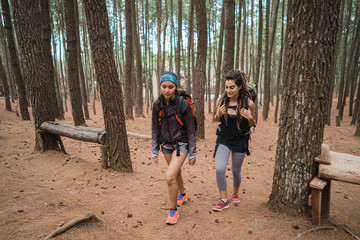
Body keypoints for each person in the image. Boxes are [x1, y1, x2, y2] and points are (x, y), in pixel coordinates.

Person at [151, 71, 196, 225]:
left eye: (170, 87)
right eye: (164, 86)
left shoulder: (182, 104)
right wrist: (154, 149)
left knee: (170, 176)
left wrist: (192, 153)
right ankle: (182, 194)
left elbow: (190, 129)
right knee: (176, 173)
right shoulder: (157, 104)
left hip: (181, 144)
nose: (167, 90)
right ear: (160, 87)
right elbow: (155, 127)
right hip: (166, 145)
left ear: (175, 88)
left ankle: (173, 210)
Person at [212, 69, 256, 211]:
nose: (228, 90)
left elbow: (252, 125)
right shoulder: (221, 100)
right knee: (219, 169)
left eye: (232, 87)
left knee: (236, 171)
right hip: (224, 139)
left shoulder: (248, 104)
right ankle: (224, 200)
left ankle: (235, 192)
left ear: (239, 87)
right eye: (226, 87)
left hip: (240, 141)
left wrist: (250, 118)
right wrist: (218, 114)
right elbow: (216, 119)